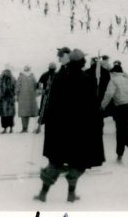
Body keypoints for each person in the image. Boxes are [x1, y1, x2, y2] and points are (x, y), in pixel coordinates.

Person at [34, 48, 105, 203]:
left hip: (59, 127)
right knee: (78, 161)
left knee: (56, 161)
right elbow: (92, 106)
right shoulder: (88, 79)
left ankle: (43, 193)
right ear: (82, 62)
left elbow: (52, 103)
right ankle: (71, 193)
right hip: (80, 128)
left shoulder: (60, 77)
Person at [35, 61, 58, 133]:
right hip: (51, 96)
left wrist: (42, 91)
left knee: (43, 110)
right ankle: (40, 127)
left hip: (49, 95)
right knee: (46, 111)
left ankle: (39, 127)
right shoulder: (56, 75)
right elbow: (39, 84)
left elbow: (39, 85)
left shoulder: (45, 74)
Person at [16, 65, 39, 133]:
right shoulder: (32, 76)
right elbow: (36, 86)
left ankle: (24, 128)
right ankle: (26, 127)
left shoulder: (20, 76)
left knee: (23, 113)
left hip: (22, 97)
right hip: (31, 97)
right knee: (28, 112)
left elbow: (17, 87)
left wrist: (17, 95)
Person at [0, 66, 16, 133]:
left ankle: (5, 129)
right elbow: (15, 88)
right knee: (10, 115)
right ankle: (11, 128)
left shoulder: (0, 78)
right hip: (10, 99)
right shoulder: (13, 78)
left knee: (3, 115)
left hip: (3, 98)